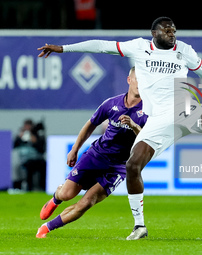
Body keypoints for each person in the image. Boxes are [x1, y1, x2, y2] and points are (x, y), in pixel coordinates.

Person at [37, 16, 202, 240]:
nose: (172, 32)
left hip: (182, 107)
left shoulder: (185, 51)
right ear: (154, 33)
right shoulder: (139, 47)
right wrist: (63, 49)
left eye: (174, 29)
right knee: (133, 164)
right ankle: (139, 226)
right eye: (167, 29)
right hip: (158, 120)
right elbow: (101, 45)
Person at [36, 67, 148, 238]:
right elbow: (91, 124)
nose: (141, 83)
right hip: (96, 155)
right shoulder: (111, 103)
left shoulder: (148, 111)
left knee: (88, 202)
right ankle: (56, 197)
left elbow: (146, 141)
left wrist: (133, 125)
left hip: (118, 166)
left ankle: (45, 229)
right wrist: (75, 149)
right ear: (129, 80)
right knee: (67, 194)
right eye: (138, 78)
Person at [13, 119, 46, 191]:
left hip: (37, 159)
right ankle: (28, 188)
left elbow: (42, 149)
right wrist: (19, 137)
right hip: (25, 160)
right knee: (24, 169)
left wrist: (34, 139)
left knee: (43, 166)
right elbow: (14, 145)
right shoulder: (20, 135)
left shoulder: (37, 135)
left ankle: (43, 188)